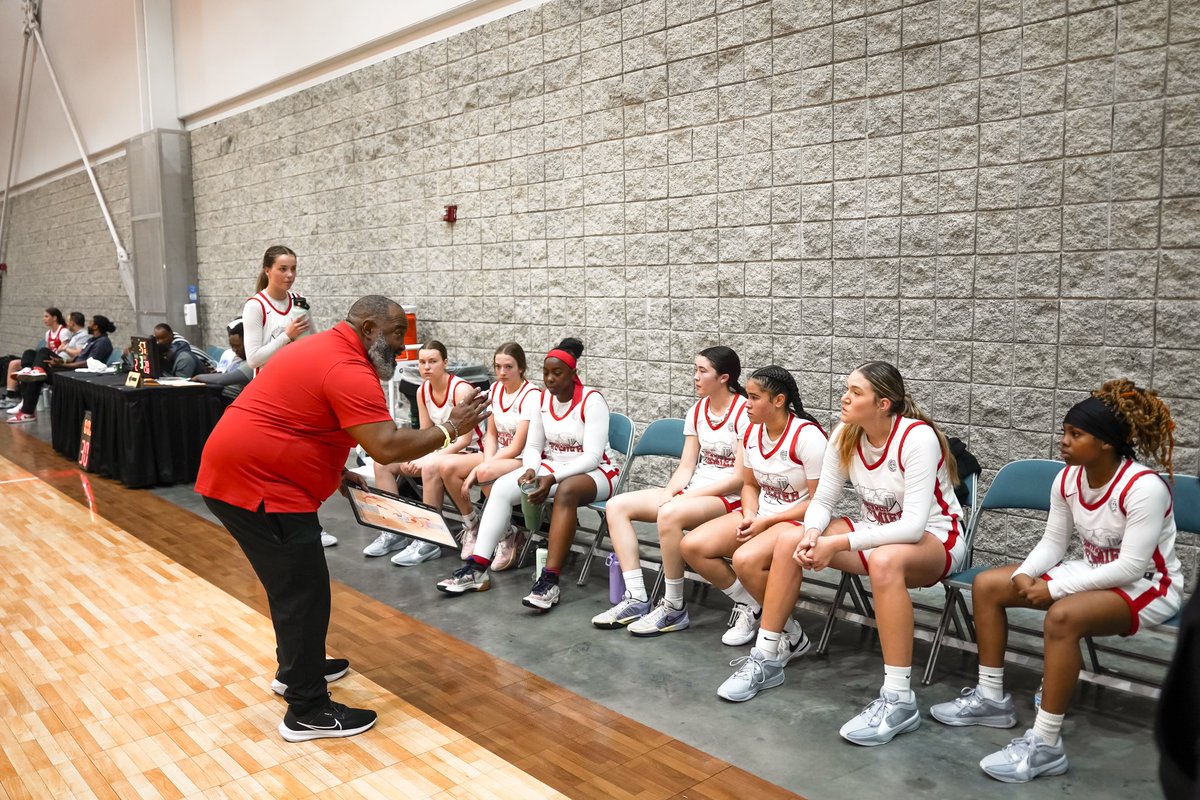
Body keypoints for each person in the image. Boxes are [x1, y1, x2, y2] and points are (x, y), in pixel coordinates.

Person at [195, 295, 487, 742]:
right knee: (303, 593)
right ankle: (307, 710)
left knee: (292, 587)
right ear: (368, 329)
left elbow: (301, 418)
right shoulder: (348, 367)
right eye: (394, 336)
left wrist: (335, 472)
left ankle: (298, 671)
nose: (400, 348)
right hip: (261, 485)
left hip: (243, 473)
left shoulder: (323, 348)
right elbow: (386, 447)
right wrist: (452, 427)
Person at [931, 379, 1182, 783]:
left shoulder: (1143, 488)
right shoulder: (1068, 479)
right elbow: (1053, 542)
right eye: (1064, 432)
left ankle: (1046, 744)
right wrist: (1026, 575)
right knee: (989, 586)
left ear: (1105, 443)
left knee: (1062, 617)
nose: (1063, 442)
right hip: (1094, 572)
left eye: (1075, 434)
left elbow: (1133, 566)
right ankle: (992, 699)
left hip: (1149, 586)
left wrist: (1053, 588)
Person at [786, 361, 963, 745]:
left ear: (883, 403)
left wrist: (836, 543)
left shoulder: (918, 437)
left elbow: (913, 527)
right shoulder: (844, 434)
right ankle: (770, 651)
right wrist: (814, 532)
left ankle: (899, 700)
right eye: (847, 389)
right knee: (790, 537)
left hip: (935, 539)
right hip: (877, 533)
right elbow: (824, 500)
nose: (844, 397)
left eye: (855, 392)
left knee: (883, 560)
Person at [437, 337, 618, 612]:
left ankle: (550, 581)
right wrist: (532, 468)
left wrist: (552, 478)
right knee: (499, 487)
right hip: (552, 467)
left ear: (573, 374)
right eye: (546, 373)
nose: (550, 379)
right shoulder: (542, 399)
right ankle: (477, 569)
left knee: (566, 491)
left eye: (557, 373)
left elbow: (593, 456)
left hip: (597, 472)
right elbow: (533, 446)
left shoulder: (592, 401)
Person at [590, 346, 750, 634]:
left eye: (703, 371)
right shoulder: (698, 410)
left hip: (728, 498)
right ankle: (637, 597)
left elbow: (739, 478)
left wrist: (687, 497)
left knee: (671, 515)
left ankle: (674, 607)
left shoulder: (743, 412)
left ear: (724, 377)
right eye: (695, 369)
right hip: (693, 492)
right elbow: (687, 467)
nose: (695, 377)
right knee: (617, 506)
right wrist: (669, 494)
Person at [677, 366, 826, 656]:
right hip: (760, 515)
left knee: (744, 560)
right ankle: (771, 618)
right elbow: (749, 484)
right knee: (692, 546)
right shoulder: (753, 432)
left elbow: (820, 502)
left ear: (778, 401)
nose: (747, 403)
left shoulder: (808, 437)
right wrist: (749, 514)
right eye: (748, 396)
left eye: (755, 398)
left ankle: (785, 632)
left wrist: (767, 520)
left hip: (796, 520)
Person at [366, 340, 483, 566]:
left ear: (445, 363)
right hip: (442, 450)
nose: (427, 367)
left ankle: (429, 539)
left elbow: (465, 438)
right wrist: (416, 454)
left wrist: (429, 457)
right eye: (422, 362)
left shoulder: (461, 389)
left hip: (471, 450)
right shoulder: (422, 390)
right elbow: (425, 433)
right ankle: (394, 530)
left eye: (433, 361)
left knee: (430, 467)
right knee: (382, 463)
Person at [440, 342, 539, 569]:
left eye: (509, 367)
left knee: (484, 471)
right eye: (498, 367)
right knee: (447, 467)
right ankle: (473, 524)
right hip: (497, 455)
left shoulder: (531, 395)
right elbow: (491, 435)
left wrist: (480, 468)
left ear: (521, 368)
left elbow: (516, 446)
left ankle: (507, 535)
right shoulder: (495, 390)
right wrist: (485, 460)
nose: (502, 372)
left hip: (524, 458)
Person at [7, 315, 116, 425]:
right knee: (30, 353)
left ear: (96, 326)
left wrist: (65, 366)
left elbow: (87, 363)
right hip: (72, 367)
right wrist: (61, 362)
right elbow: (77, 358)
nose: (88, 324)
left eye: (91, 322)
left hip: (77, 373)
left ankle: (27, 410)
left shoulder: (103, 342)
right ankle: (30, 370)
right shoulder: (92, 339)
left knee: (41, 364)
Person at [242, 244, 312, 374]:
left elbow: (313, 342)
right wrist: (287, 336)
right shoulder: (255, 306)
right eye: (283, 269)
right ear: (267, 270)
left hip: (299, 380)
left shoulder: (299, 300)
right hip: (268, 386)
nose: (290, 274)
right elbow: (253, 360)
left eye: (293, 269)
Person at [3, 307, 68, 409]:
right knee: (18, 360)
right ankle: (11, 396)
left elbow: (65, 351)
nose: (44, 319)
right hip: (46, 357)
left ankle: (25, 403)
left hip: (58, 360)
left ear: (55, 318)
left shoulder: (64, 331)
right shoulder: (48, 333)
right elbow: (47, 349)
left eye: (46, 316)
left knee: (41, 353)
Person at [194, 318, 253, 399]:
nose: (234, 350)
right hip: (220, 394)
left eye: (237, 346)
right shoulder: (237, 359)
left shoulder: (251, 364)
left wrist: (198, 377)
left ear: (248, 342)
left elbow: (224, 379)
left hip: (230, 399)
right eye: (232, 346)